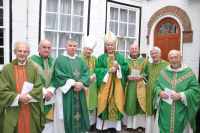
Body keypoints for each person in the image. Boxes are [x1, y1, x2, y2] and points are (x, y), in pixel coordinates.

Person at [0, 41, 45, 133]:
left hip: (30, 108)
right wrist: (19, 97)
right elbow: (3, 90)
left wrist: (28, 96)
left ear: (28, 53)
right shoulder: (7, 69)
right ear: (14, 52)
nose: (22, 53)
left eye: (25, 51)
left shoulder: (32, 68)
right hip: (13, 109)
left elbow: (38, 86)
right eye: (19, 51)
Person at [153, 50, 200, 133]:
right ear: (168, 59)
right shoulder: (164, 72)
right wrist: (160, 92)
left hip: (181, 108)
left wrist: (182, 95)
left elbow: (195, 89)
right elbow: (156, 85)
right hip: (165, 109)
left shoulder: (189, 72)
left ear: (181, 58)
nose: (173, 60)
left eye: (176, 57)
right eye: (171, 58)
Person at [53, 39, 90, 133]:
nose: (72, 48)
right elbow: (59, 74)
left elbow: (87, 72)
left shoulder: (80, 60)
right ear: (65, 46)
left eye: (74, 46)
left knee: (79, 115)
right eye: (70, 45)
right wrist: (74, 83)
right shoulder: (60, 59)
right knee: (64, 117)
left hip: (79, 92)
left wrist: (81, 83)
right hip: (65, 93)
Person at [95, 31, 129, 133]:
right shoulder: (101, 57)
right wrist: (108, 70)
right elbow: (97, 69)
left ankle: (114, 127)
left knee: (116, 103)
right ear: (106, 46)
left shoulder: (120, 57)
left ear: (115, 46)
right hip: (105, 86)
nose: (110, 47)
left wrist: (118, 67)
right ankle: (103, 127)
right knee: (103, 103)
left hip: (117, 87)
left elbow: (127, 68)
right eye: (108, 45)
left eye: (112, 45)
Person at [29, 39, 56, 133]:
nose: (46, 49)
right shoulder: (31, 61)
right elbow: (30, 79)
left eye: (49, 48)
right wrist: (45, 92)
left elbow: (56, 78)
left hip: (50, 97)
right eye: (44, 47)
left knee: (49, 122)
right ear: (38, 47)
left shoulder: (53, 61)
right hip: (37, 95)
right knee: (36, 120)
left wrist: (51, 91)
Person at [123, 44, 149, 133]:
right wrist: (127, 76)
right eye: (132, 49)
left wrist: (142, 76)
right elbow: (122, 72)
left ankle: (140, 125)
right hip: (130, 86)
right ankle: (127, 123)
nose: (134, 50)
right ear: (130, 50)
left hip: (141, 86)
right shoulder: (125, 61)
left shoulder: (145, 61)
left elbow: (148, 72)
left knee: (140, 103)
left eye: (136, 48)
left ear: (138, 50)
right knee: (129, 103)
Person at [146, 47, 169, 133]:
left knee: (159, 111)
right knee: (150, 110)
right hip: (150, 92)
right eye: (152, 54)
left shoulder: (166, 65)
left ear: (160, 54)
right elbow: (146, 75)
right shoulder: (150, 65)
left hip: (161, 92)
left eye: (156, 53)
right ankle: (150, 130)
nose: (154, 55)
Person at [79, 34, 98, 131]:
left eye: (90, 50)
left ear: (92, 50)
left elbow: (97, 70)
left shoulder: (95, 59)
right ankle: (82, 123)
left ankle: (91, 124)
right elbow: (76, 71)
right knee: (82, 105)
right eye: (86, 49)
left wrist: (93, 75)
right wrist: (86, 78)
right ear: (83, 48)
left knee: (91, 105)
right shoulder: (78, 58)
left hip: (92, 85)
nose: (88, 51)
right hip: (82, 85)